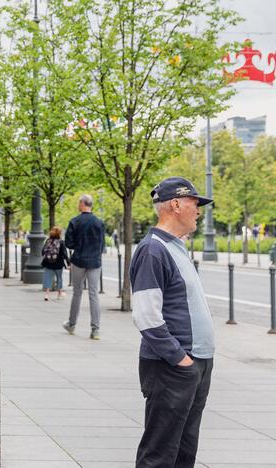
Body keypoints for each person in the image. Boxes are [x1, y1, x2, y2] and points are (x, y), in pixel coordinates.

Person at [130, 177, 215, 468]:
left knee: (183, 450)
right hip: (173, 367)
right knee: (160, 453)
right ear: (176, 204)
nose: (199, 211)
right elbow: (146, 315)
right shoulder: (153, 250)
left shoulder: (175, 246)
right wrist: (180, 360)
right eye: (195, 203)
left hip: (195, 364)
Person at [63, 194, 106, 340]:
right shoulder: (99, 223)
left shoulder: (74, 221)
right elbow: (102, 245)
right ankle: (95, 330)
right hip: (94, 261)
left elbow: (68, 243)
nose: (78, 205)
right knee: (94, 294)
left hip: (79, 260)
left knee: (77, 293)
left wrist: (79, 246)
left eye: (78, 203)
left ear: (82, 204)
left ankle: (71, 324)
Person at [41, 226, 69, 301]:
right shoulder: (61, 242)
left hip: (48, 263)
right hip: (58, 264)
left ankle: (47, 294)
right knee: (59, 278)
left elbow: (42, 252)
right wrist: (68, 264)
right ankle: (59, 294)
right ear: (59, 233)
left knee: (48, 278)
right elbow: (65, 254)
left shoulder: (48, 241)